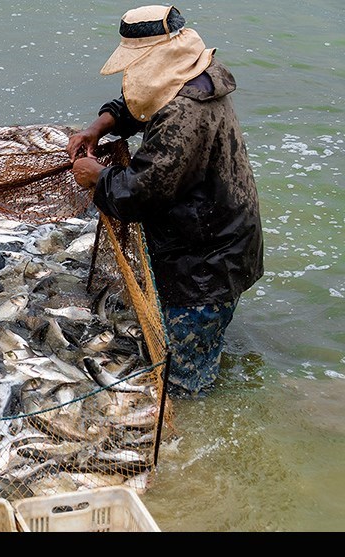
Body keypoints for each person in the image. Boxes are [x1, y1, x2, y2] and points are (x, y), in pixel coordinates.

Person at [67, 5, 264, 398]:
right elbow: (142, 99)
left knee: (185, 385)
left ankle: (195, 430)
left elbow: (139, 193)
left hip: (206, 260)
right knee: (195, 344)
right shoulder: (194, 73)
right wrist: (101, 124)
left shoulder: (184, 114)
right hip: (219, 238)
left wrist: (97, 176)